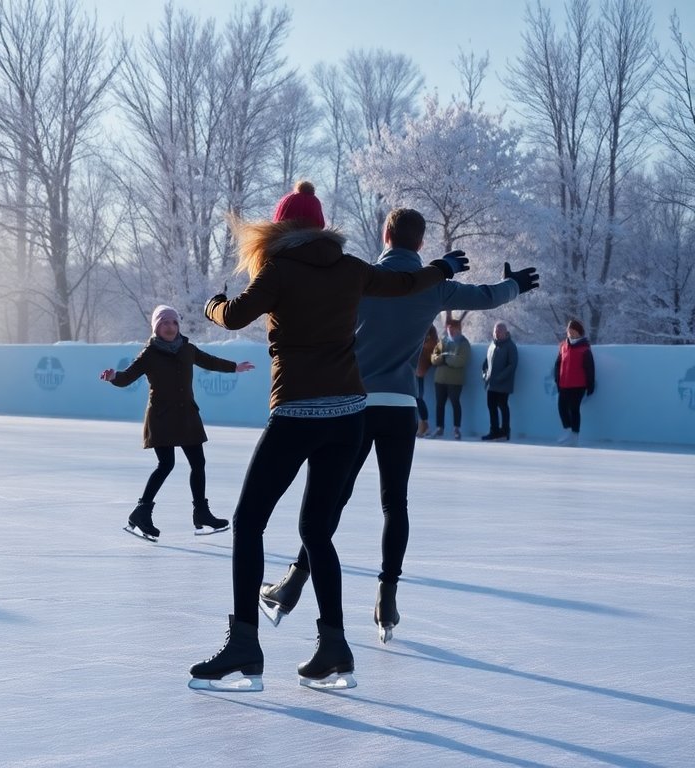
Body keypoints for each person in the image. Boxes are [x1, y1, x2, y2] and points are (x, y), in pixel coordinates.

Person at [187, 183, 470, 693]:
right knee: (317, 530)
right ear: (321, 227)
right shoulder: (352, 268)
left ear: (279, 228)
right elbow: (405, 287)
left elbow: (233, 316)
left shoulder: (278, 270)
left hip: (298, 410)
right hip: (349, 415)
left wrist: (211, 306)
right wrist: (442, 270)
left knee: (250, 521)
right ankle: (334, 648)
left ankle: (244, 646)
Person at [256, 208, 538, 645]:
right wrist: (514, 283)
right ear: (421, 244)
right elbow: (485, 296)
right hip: (402, 406)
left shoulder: (362, 278)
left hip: (353, 404)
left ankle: (294, 582)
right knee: (395, 504)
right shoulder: (432, 286)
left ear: (386, 234)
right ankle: (387, 596)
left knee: (330, 504)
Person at [100, 305, 255, 541]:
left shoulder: (187, 349)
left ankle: (201, 513)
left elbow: (209, 361)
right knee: (166, 464)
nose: (170, 327)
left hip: (187, 416)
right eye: (164, 323)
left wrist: (234, 367)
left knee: (198, 463)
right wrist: (113, 377)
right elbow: (127, 377)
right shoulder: (149, 354)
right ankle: (141, 512)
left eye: (173, 323)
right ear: (156, 328)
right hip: (161, 418)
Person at [553, 319, 595, 446]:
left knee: (574, 409)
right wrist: (557, 379)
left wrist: (590, 385)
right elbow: (558, 364)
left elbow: (590, 368)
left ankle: (575, 436)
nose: (570, 333)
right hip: (564, 383)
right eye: (568, 331)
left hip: (578, 385)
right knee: (561, 408)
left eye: (572, 331)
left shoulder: (584, 349)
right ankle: (568, 431)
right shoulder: (563, 346)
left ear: (578, 332)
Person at [429, 317, 471, 439]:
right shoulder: (443, 341)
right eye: (449, 329)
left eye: (453, 329)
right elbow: (434, 357)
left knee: (455, 403)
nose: (450, 331)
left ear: (459, 329)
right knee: (439, 404)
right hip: (440, 379)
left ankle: (456, 428)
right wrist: (441, 358)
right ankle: (439, 427)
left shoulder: (463, 343)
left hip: (455, 380)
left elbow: (461, 360)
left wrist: (446, 358)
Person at [481, 322, 518, 441]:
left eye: (499, 331)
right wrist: (485, 374)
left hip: (503, 383)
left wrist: (501, 376)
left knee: (502, 405)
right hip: (491, 383)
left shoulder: (510, 346)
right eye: (495, 331)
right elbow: (486, 362)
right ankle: (494, 430)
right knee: (491, 406)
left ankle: (505, 431)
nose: (496, 334)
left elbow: (512, 364)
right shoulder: (492, 345)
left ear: (505, 332)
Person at [415, 326, 438, 437]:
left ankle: (424, 425)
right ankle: (420, 425)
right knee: (414, 398)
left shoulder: (430, 329)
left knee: (418, 397)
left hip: (419, 369)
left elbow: (432, 347)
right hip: (413, 368)